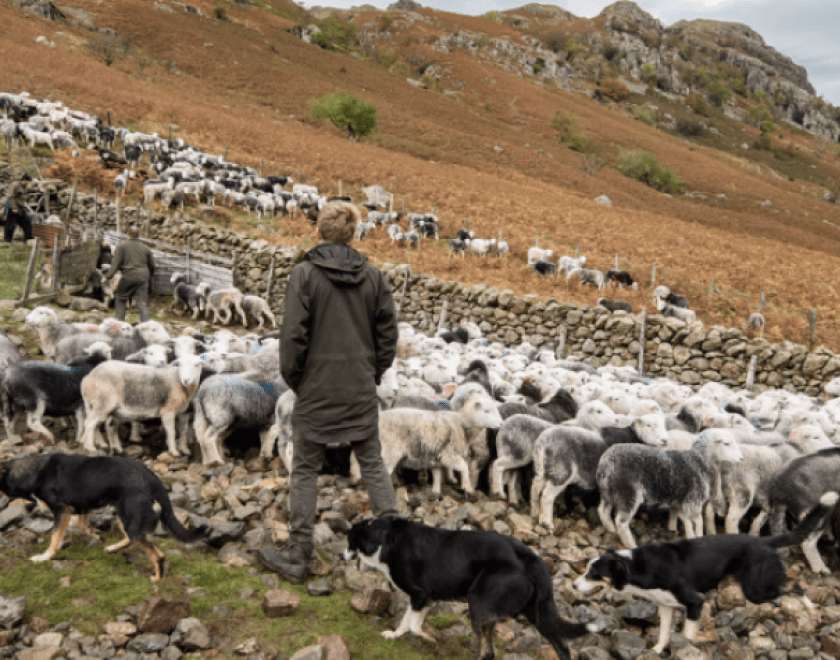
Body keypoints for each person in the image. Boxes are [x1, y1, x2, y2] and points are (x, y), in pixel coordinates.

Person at [260, 201, 400, 584]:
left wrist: (298, 381)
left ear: (318, 231)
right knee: (372, 462)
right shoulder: (373, 277)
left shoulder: (304, 274)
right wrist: (372, 373)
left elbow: (292, 336)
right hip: (359, 387)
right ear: (353, 234)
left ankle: (298, 553)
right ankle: (399, 549)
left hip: (315, 387)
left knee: (306, 467)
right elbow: (388, 334)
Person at [102, 224, 155, 322]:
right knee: (142, 303)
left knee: (120, 297)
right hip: (143, 278)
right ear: (138, 235)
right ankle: (146, 325)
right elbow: (152, 265)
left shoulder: (121, 246)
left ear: (128, 234)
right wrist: (149, 277)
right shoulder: (145, 248)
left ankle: (119, 323)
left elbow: (115, 264)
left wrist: (107, 276)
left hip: (128, 276)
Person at [3, 176, 33, 244]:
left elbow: (30, 190)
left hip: (20, 207)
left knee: (27, 221)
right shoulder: (15, 185)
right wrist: (14, 207)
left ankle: (28, 239)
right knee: (11, 224)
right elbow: (10, 196)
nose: (29, 183)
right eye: (28, 181)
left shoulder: (24, 186)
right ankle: (7, 241)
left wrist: (39, 189)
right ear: (24, 180)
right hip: (12, 206)